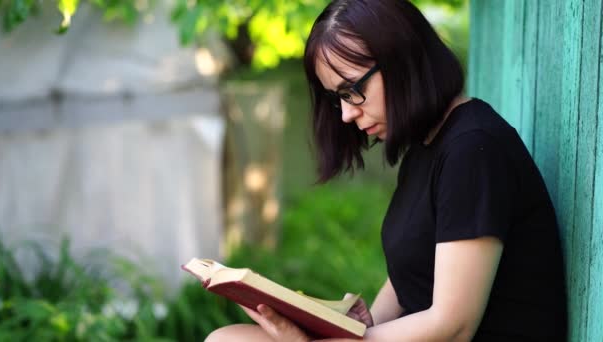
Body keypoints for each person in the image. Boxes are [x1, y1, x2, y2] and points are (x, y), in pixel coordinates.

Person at [206, 0, 568, 341]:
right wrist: (358, 325)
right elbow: (407, 279)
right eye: (338, 99)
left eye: (352, 91)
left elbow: (454, 326)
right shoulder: (426, 149)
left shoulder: (473, 149)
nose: (346, 114)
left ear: (401, 59)